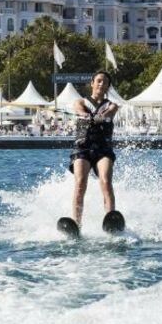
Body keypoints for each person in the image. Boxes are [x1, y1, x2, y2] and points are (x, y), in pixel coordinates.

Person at [69, 71, 120, 227]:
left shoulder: (112, 105)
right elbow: (79, 109)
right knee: (80, 182)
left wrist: (100, 117)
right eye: (98, 81)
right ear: (92, 83)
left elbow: (110, 113)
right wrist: (85, 115)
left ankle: (111, 218)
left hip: (103, 149)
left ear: (108, 87)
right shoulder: (81, 102)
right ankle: (77, 223)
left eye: (104, 82)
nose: (101, 84)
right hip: (82, 148)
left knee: (105, 181)